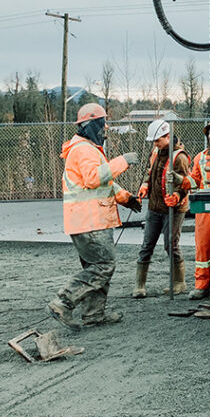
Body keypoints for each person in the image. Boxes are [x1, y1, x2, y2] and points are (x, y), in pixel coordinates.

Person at [49, 103, 141, 329]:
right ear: (91, 125)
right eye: (103, 123)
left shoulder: (86, 148)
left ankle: (93, 315)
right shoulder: (83, 150)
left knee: (96, 267)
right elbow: (93, 178)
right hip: (91, 222)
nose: (106, 127)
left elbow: (102, 182)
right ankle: (63, 302)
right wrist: (123, 161)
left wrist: (125, 198)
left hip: (86, 221)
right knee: (103, 266)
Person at [132, 118, 192, 297]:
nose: (156, 144)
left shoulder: (179, 157)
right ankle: (139, 286)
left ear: (168, 136)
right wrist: (145, 185)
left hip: (173, 210)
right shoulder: (156, 153)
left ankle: (179, 282)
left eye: (158, 140)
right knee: (146, 246)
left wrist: (178, 196)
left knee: (171, 245)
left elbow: (186, 183)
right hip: (155, 207)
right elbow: (152, 173)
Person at [188, 120, 210, 300]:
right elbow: (193, 180)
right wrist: (180, 181)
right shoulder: (199, 158)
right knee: (202, 248)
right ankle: (201, 286)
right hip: (205, 208)